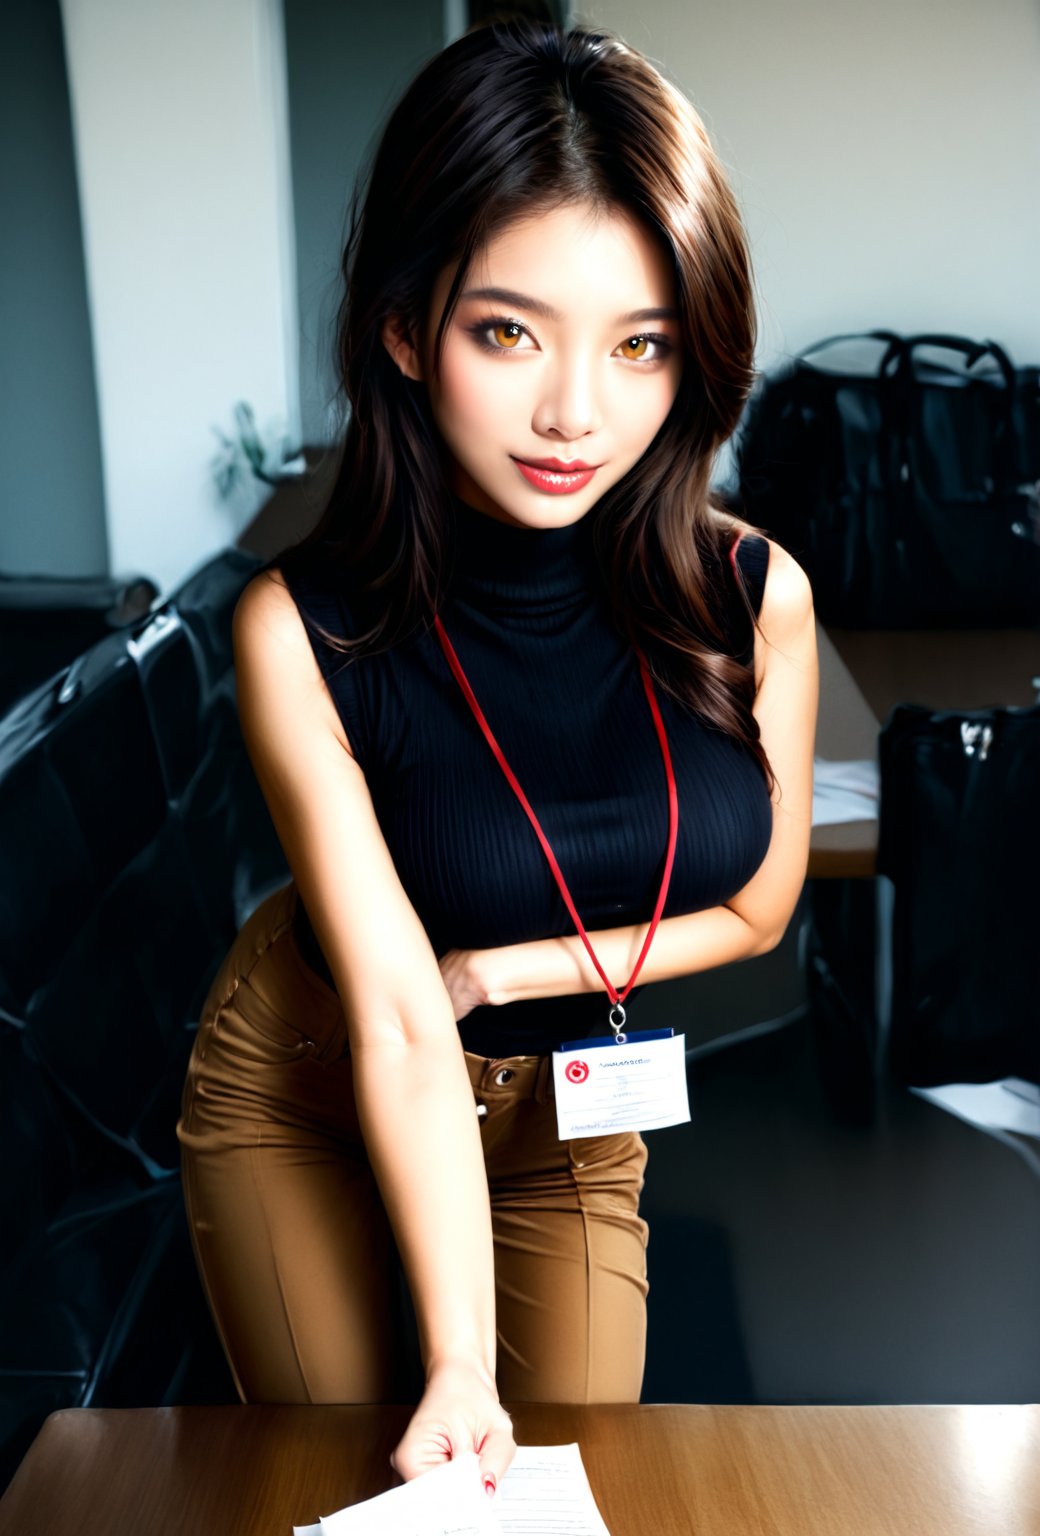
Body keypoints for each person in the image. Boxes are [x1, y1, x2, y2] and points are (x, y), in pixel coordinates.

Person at [176, 15, 818, 1501]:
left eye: (641, 342)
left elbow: (764, 909)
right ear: (409, 326)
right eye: (509, 331)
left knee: (581, 1487)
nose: (575, 413)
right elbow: (403, 1020)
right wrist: (457, 1361)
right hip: (322, 1084)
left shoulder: (752, 597)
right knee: (372, 1486)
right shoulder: (304, 631)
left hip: (570, 1114)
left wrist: (511, 974)